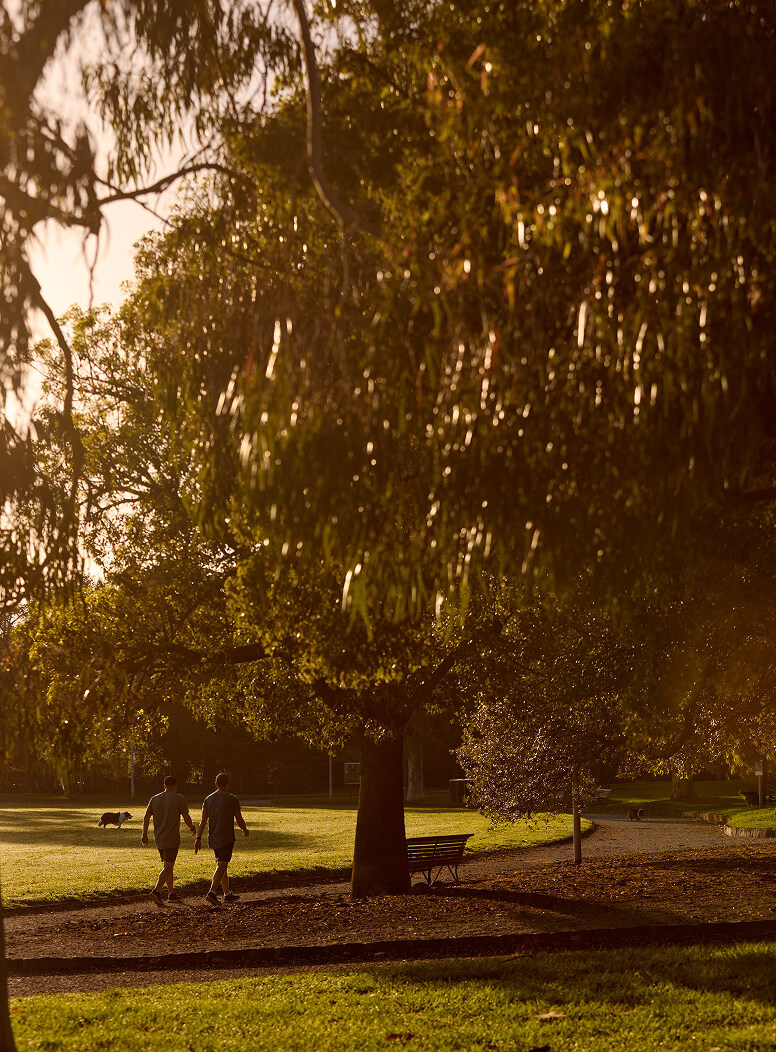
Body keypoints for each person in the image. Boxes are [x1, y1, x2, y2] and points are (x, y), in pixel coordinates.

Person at [141, 775, 196, 906]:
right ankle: (157, 891)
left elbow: (146, 817)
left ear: (164, 786)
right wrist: (192, 828)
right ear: (175, 785)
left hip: (158, 838)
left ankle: (171, 894)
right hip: (172, 838)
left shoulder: (154, 799)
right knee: (168, 867)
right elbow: (186, 816)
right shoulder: (179, 798)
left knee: (167, 866)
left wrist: (144, 834)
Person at [195, 772, 249, 906]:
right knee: (222, 864)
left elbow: (203, 821)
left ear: (216, 784)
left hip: (213, 836)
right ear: (228, 784)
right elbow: (239, 818)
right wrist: (244, 829)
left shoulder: (208, 799)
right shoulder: (232, 799)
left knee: (222, 864)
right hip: (226, 837)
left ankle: (227, 894)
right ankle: (212, 892)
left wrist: (198, 837)